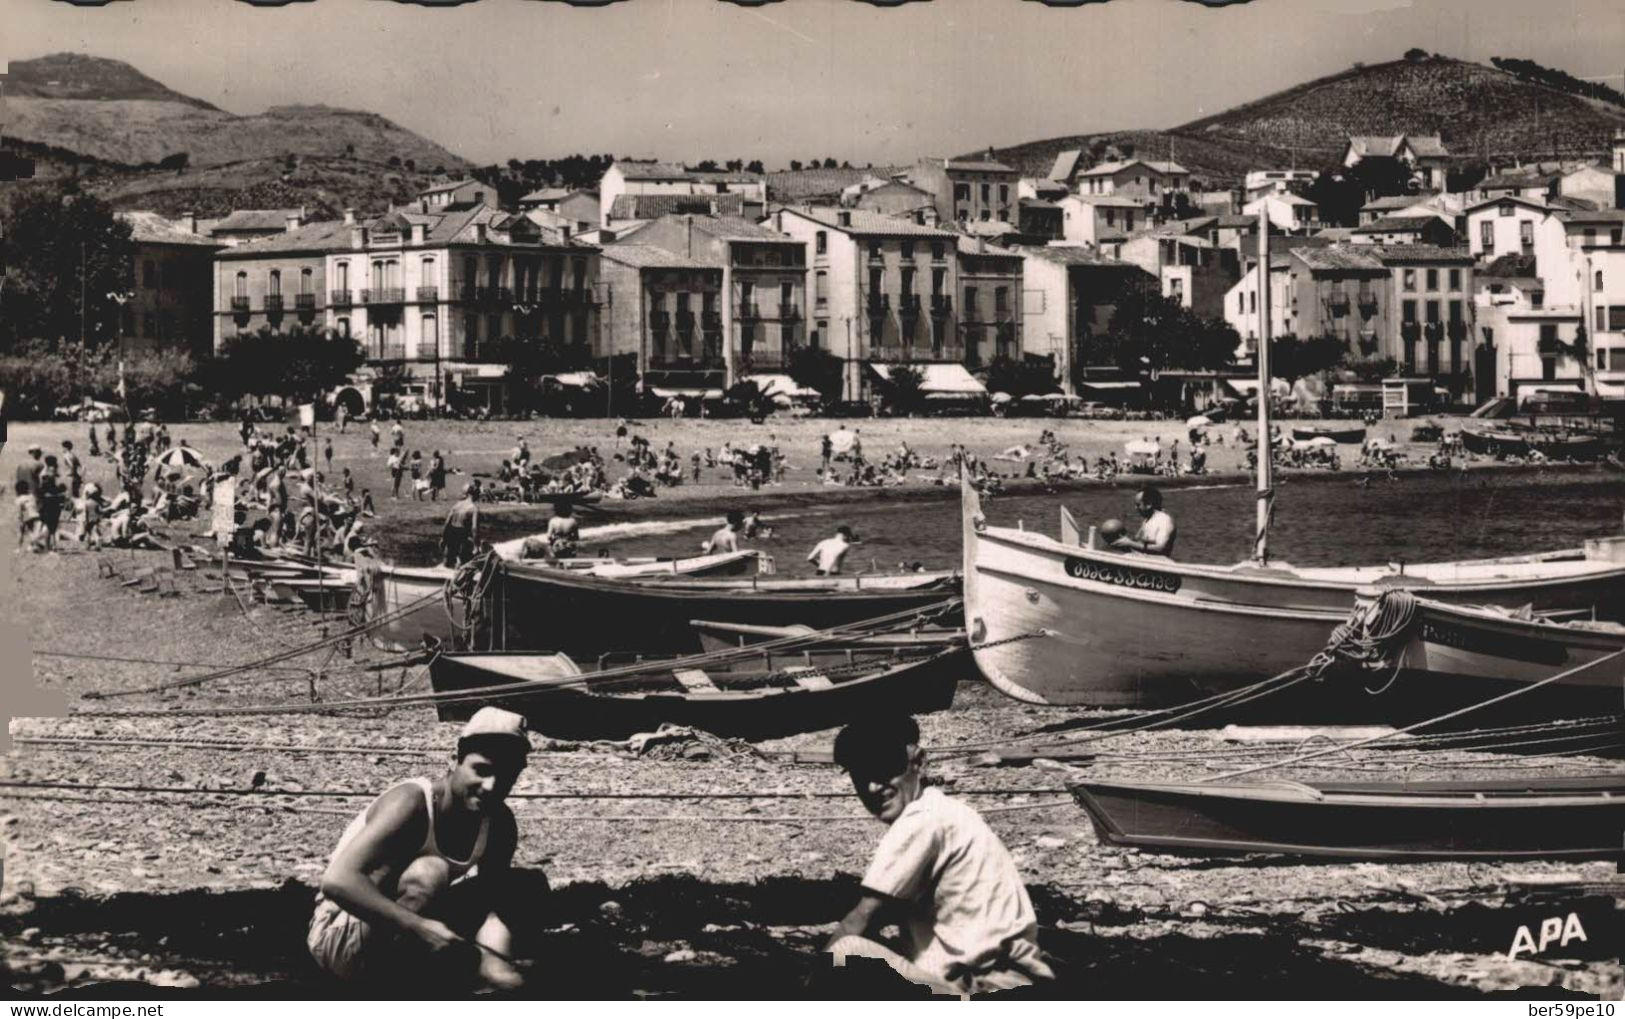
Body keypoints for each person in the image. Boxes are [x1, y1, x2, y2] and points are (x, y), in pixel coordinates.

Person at [307, 706, 533, 990]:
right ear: (455, 760)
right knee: (430, 870)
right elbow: (337, 881)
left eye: (507, 775)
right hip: (341, 937)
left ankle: (467, 978)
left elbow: (493, 902)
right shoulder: (412, 802)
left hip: (407, 928)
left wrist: (495, 962)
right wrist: (423, 929)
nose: (491, 786)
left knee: (524, 884)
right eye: (482, 770)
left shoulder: (499, 822)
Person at [824, 715, 1053, 996]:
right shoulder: (946, 810)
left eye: (883, 770)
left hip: (986, 989)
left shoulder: (922, 820)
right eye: (861, 775)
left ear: (917, 762)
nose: (872, 787)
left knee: (845, 952)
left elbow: (861, 920)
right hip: (1008, 982)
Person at [1110, 485, 1176, 557]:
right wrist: (1122, 542)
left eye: (1138, 505)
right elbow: (1137, 543)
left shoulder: (1164, 520)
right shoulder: (1148, 520)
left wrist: (1130, 543)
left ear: (1149, 505)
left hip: (1156, 563)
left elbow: (1161, 548)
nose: (1135, 508)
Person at [441, 484, 480, 568]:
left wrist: (443, 538)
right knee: (463, 560)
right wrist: (476, 545)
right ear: (474, 495)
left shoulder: (457, 505)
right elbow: (474, 528)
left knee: (448, 559)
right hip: (462, 534)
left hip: (451, 531)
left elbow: (447, 522)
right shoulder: (473, 508)